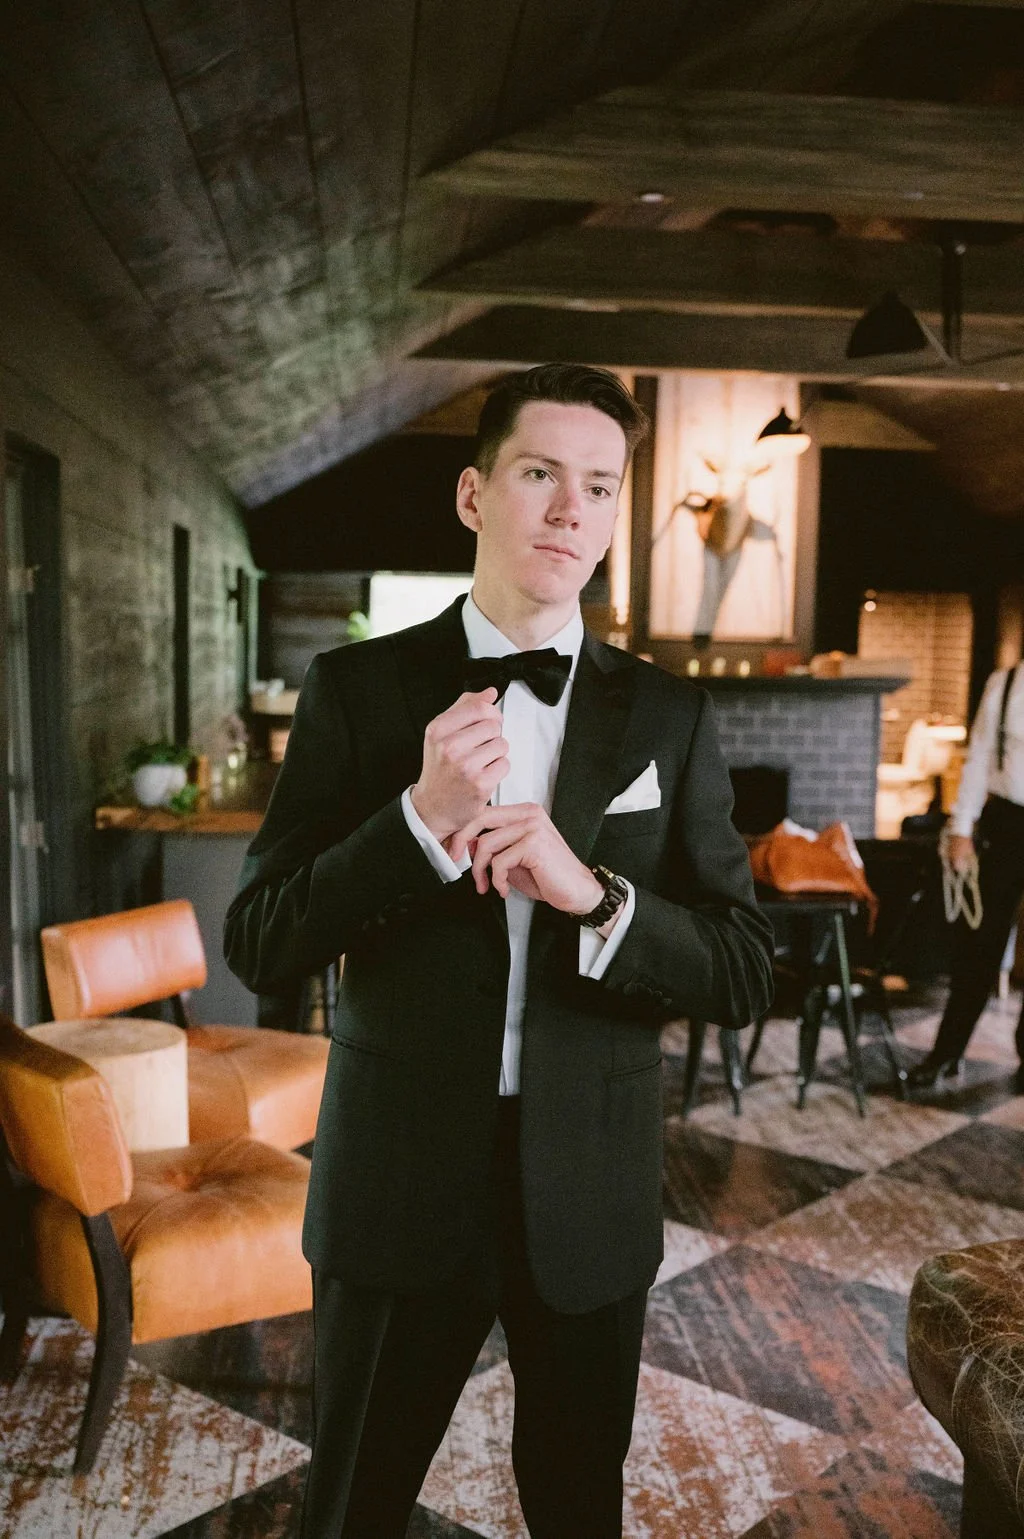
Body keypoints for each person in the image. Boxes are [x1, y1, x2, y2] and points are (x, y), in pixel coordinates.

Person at [224, 363, 774, 1538]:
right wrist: (414, 824)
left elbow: (740, 968)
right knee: (351, 1505)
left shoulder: (667, 716)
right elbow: (261, 942)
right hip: (397, 1179)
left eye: (597, 485)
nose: (570, 510)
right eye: (539, 475)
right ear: (475, 496)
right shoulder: (357, 690)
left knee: (579, 1508)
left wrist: (595, 893)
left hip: (587, 1190)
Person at [910, 662, 1024, 1090]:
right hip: (1006, 825)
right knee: (979, 945)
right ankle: (947, 1052)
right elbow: (977, 758)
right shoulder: (1006, 683)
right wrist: (961, 830)